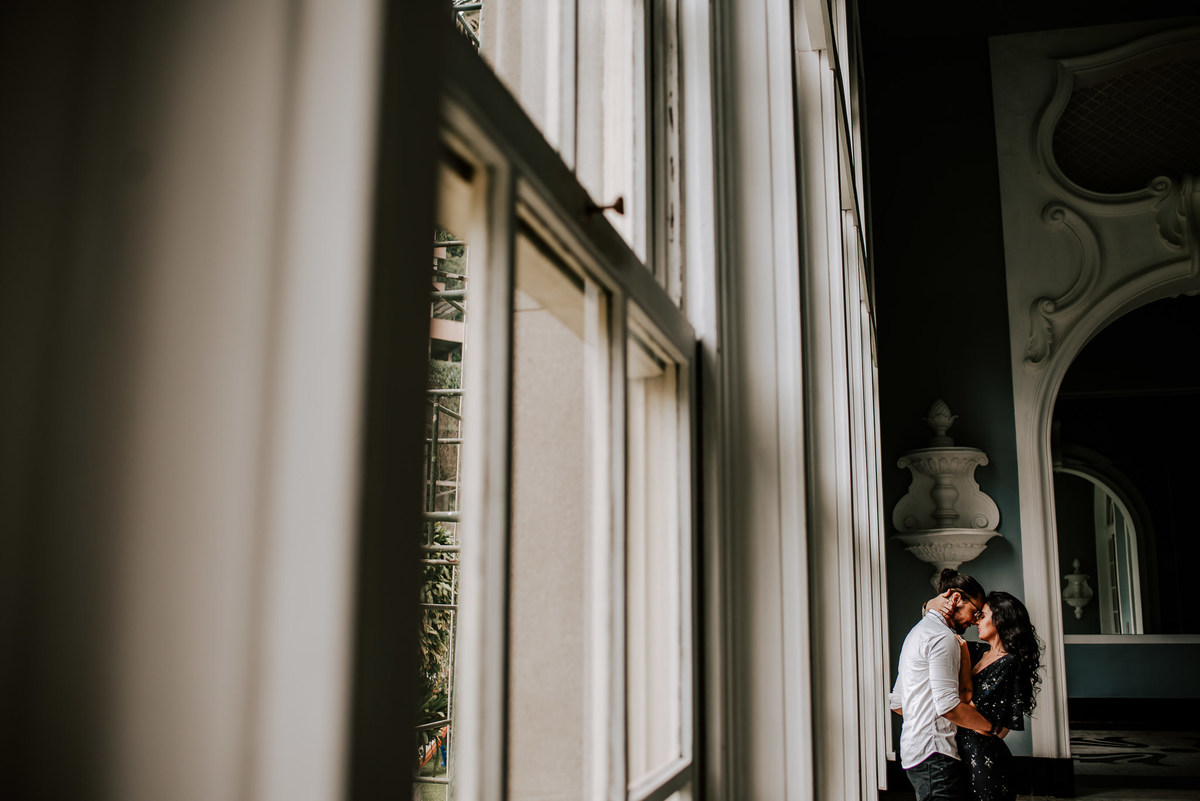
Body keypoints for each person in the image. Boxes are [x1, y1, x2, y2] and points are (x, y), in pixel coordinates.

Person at [890, 569, 1002, 801]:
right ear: (957, 599)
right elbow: (949, 707)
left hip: (914, 754)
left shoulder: (916, 633)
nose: (975, 620)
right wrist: (992, 728)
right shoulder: (943, 638)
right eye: (975, 611)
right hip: (936, 755)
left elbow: (898, 703)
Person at [925, 590, 1044, 801]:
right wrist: (932, 605)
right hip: (958, 753)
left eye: (983, 616)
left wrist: (963, 669)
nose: (976, 620)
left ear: (999, 620)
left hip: (985, 759)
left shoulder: (1009, 663)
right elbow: (935, 629)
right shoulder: (978, 651)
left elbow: (975, 712)